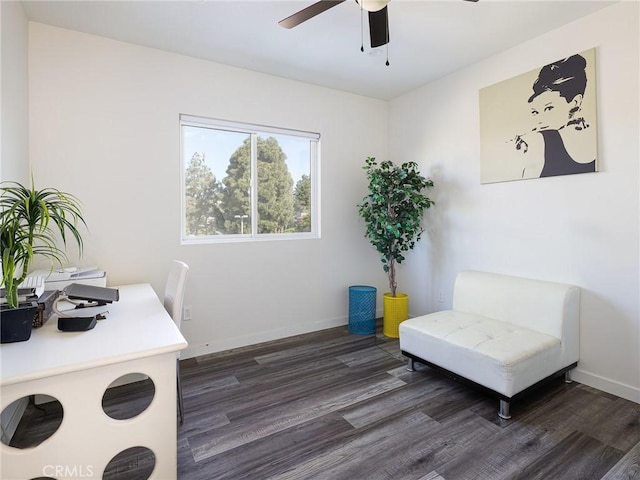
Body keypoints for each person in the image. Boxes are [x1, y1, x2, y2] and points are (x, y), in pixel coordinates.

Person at [510, 54, 596, 178]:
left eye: (549, 108)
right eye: (535, 112)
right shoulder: (534, 141)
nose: (539, 121)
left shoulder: (539, 141)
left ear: (575, 102)